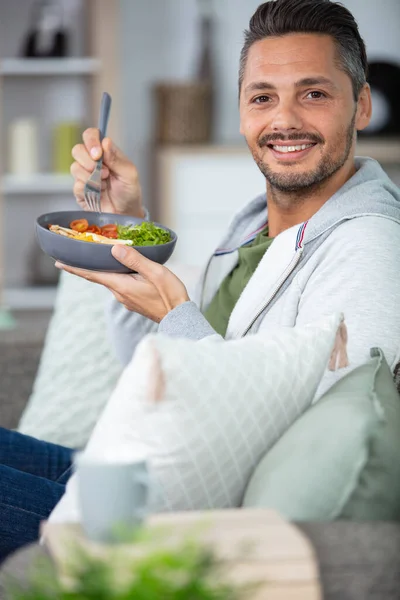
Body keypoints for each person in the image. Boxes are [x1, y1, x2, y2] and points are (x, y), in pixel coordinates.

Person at [1, 0, 400, 562]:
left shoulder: (370, 247)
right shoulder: (252, 227)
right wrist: (128, 231)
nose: (284, 119)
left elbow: (275, 431)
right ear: (241, 112)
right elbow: (151, 359)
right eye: (263, 97)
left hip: (181, 523)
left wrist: (177, 315)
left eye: (314, 94)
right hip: (147, 473)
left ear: (360, 105)